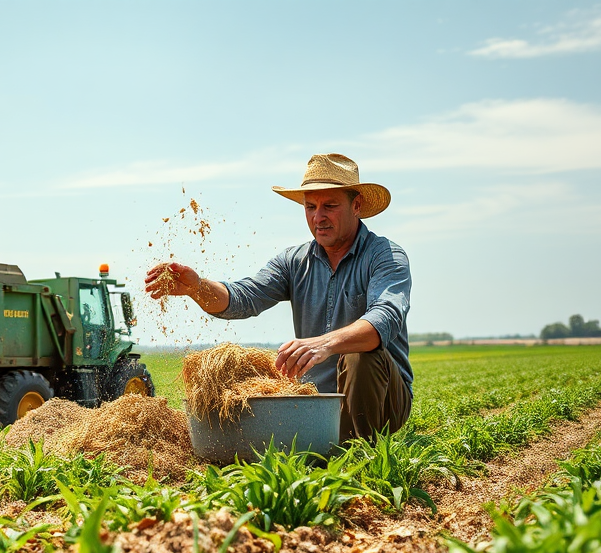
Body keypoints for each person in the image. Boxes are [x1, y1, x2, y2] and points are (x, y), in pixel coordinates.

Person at [145, 153, 412, 442]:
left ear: (356, 205)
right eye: (310, 207)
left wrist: (325, 343)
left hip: (384, 401)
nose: (318, 217)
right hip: (317, 405)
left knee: (360, 354)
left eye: (330, 206)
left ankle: (363, 452)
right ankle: (326, 438)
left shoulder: (385, 256)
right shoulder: (294, 261)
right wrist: (197, 287)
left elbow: (385, 316)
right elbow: (242, 297)